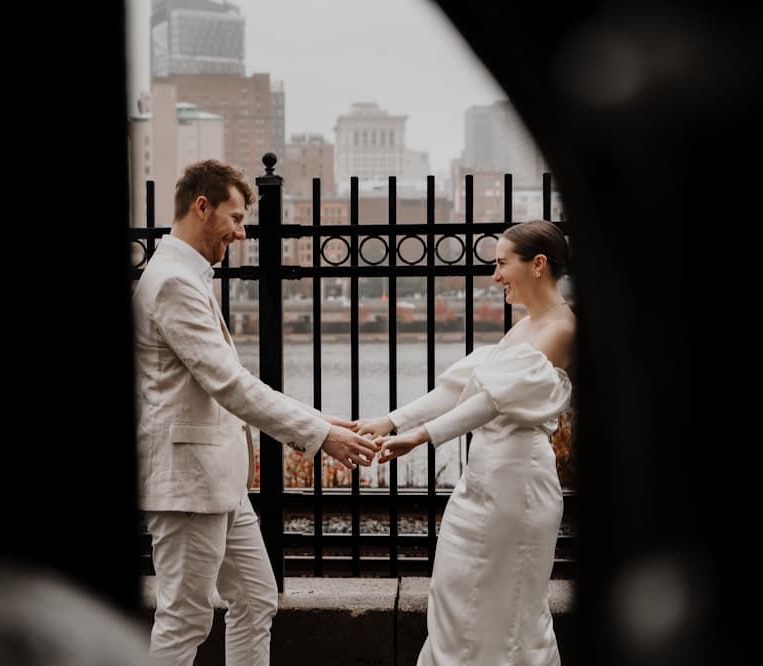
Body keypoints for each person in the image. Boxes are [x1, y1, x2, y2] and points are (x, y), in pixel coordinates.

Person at [132, 159, 380, 666]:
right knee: (184, 621)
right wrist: (317, 435)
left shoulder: (185, 274)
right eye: (236, 217)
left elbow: (230, 383)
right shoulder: (174, 282)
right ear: (202, 208)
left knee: (255, 598)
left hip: (218, 480)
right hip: (188, 485)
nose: (243, 233)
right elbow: (229, 384)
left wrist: (320, 420)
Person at [355, 219, 574, 665]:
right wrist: (390, 422)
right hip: (481, 484)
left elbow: (492, 401)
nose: (494, 277)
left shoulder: (562, 328)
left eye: (500, 264)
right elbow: (463, 389)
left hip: (519, 489)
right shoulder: (524, 327)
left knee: (506, 611)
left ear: (537, 264)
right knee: (457, 597)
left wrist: (421, 437)